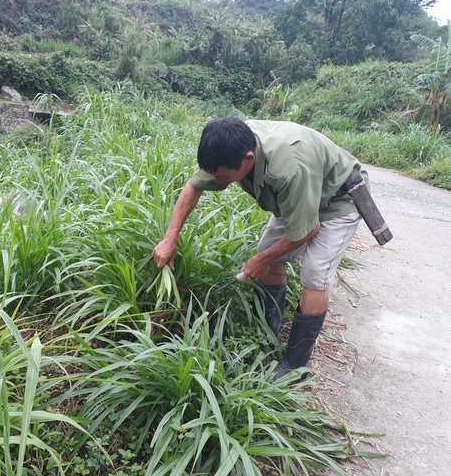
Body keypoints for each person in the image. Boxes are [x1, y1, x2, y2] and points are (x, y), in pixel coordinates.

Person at [152, 116, 367, 380]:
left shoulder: (289, 168)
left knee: (315, 272)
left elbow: (308, 230)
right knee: (268, 250)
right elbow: (193, 187)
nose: (218, 181)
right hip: (295, 197)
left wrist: (260, 260)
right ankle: (267, 333)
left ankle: (294, 365)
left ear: (249, 160)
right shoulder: (228, 147)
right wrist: (170, 238)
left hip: (338, 197)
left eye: (223, 177)